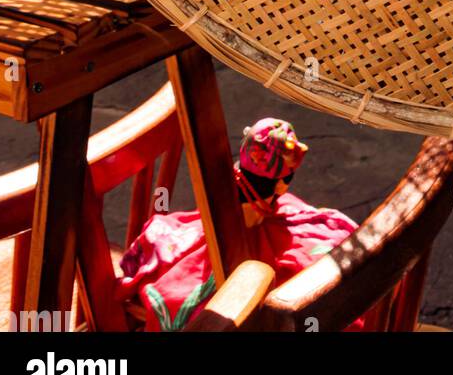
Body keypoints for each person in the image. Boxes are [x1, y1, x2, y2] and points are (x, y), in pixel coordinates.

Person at [118, 117, 359, 331]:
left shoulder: (231, 185)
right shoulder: (278, 207)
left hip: (217, 236)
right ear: (280, 185)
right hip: (239, 261)